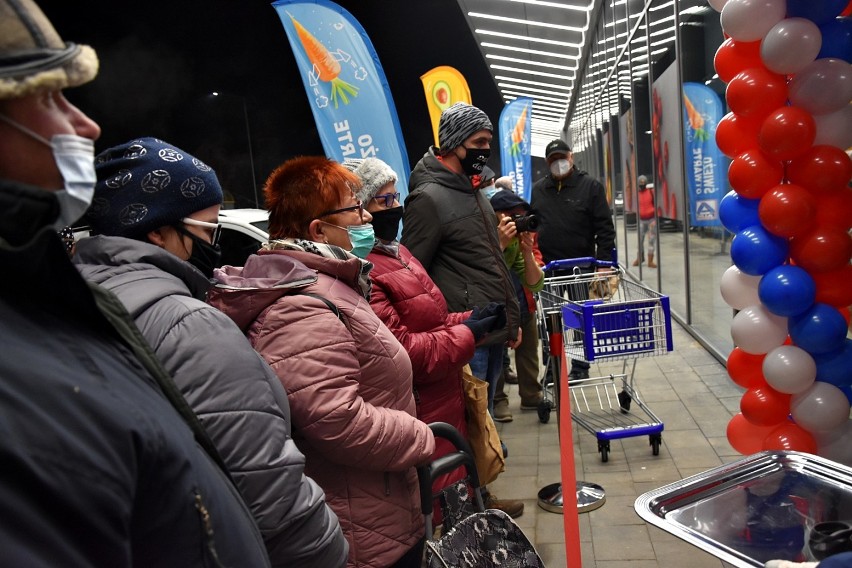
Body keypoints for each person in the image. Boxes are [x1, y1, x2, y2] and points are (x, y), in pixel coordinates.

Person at [0, 1, 270, 565]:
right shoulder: (177, 318)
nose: (86, 125)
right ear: (158, 230)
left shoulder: (60, 297)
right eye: (50, 95)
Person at [74, 137, 347, 567]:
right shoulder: (189, 325)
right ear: (157, 231)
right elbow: (270, 494)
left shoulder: (69, 303)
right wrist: (331, 551)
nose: (215, 244)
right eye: (208, 230)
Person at [208, 156, 436, 568]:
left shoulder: (333, 284)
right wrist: (419, 437)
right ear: (318, 228)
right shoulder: (300, 307)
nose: (368, 216)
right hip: (359, 527)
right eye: (356, 208)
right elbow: (335, 418)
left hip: (378, 505)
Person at [343, 157, 522, 519]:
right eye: (384, 201)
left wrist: (472, 318)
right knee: (436, 513)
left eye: (395, 198)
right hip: (422, 406)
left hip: (445, 397)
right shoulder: (364, 271)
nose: (395, 208)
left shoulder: (399, 253)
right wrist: (468, 333)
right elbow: (404, 349)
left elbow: (433, 318)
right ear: (359, 209)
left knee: (457, 497)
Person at [401, 102, 521, 418]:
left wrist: (510, 320)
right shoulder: (428, 198)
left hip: (491, 328)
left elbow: (489, 258)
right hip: (464, 332)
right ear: (455, 143)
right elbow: (411, 273)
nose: (486, 151)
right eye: (479, 143)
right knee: (473, 423)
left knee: (485, 424)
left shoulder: (473, 191)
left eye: (488, 143)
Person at [531, 138, 616, 381]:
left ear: (572, 157)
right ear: (547, 163)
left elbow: (605, 229)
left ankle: (580, 365)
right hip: (548, 269)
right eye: (553, 160)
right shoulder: (539, 189)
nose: (558, 163)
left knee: (579, 317)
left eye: (562, 157)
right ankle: (553, 367)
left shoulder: (590, 187)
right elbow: (534, 224)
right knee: (550, 320)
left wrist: (603, 264)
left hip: (582, 267)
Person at [489, 189, 545, 416]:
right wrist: (499, 243)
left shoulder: (522, 236)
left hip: (522, 300)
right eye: (513, 216)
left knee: (529, 350)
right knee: (498, 353)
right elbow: (485, 271)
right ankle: (498, 399)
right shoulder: (486, 233)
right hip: (494, 305)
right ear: (497, 216)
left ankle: (531, 395)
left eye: (522, 215)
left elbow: (535, 283)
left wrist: (527, 251)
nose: (519, 221)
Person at [634, 174, 657, 268]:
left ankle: (650, 260)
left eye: (643, 182)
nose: (642, 184)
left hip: (651, 219)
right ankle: (640, 258)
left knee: (651, 240)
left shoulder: (651, 192)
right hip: (641, 220)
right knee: (640, 240)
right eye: (640, 182)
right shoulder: (637, 194)